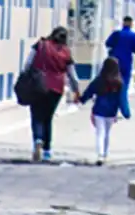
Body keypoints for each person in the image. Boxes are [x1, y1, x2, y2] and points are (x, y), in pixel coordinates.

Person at [22, 26, 81, 162]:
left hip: (37, 85)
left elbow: (27, 64)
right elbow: (72, 75)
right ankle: (47, 150)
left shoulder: (40, 45)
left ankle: (37, 139)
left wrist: (26, 77)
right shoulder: (66, 52)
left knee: (36, 115)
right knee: (47, 118)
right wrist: (76, 91)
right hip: (56, 88)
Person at [79, 57, 131, 165]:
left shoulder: (99, 80)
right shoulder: (119, 83)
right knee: (107, 133)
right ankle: (105, 153)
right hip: (111, 112)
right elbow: (122, 100)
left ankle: (100, 154)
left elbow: (89, 91)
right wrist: (126, 113)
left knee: (100, 133)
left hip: (99, 110)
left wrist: (82, 100)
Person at [105, 15, 135, 108]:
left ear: (123, 23)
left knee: (112, 84)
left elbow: (108, 43)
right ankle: (122, 106)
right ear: (131, 24)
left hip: (114, 63)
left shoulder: (116, 34)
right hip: (126, 63)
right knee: (124, 86)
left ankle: (112, 105)